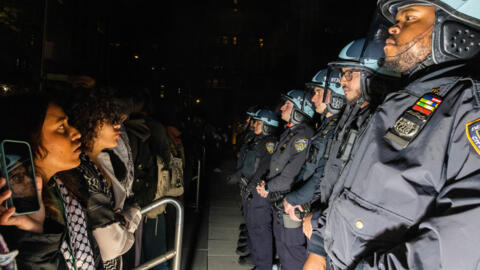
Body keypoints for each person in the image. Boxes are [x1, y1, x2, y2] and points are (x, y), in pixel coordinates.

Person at [320, 1, 480, 269]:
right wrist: (319, 244)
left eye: (409, 18)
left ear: (454, 32)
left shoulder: (467, 106)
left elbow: (468, 232)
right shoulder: (403, 101)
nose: (393, 28)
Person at [301, 38, 401, 270]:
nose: (341, 80)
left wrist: (319, 225)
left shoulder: (383, 120)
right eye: (342, 73)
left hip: (349, 236)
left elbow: (367, 191)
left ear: (374, 74)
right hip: (328, 226)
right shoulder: (352, 114)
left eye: (350, 73)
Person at [0, 92, 102, 269]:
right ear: (29, 137)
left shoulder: (64, 190)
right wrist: (35, 234)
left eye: (68, 124)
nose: (76, 132)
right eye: (61, 127)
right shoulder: (10, 214)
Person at [275, 69, 345, 270]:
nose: (313, 98)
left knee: (298, 256)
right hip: (308, 203)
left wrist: (294, 198)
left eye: (317, 92)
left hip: (315, 206)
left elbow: (323, 173)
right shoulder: (326, 125)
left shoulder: (335, 127)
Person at [63, 91, 142, 270]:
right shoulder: (82, 169)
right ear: (88, 124)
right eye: (109, 120)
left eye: (118, 120)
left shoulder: (103, 159)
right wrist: (129, 220)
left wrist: (121, 222)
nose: (118, 126)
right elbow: (112, 245)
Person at [256, 90, 315, 270]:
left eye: (288, 105)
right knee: (283, 251)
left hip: (290, 204)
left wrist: (268, 187)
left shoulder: (303, 134)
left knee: (292, 254)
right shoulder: (290, 132)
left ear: (300, 110)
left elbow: (291, 175)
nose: (282, 108)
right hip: (279, 202)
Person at [235, 108, 279, 270]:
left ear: (268, 126)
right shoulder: (257, 140)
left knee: (260, 232)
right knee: (253, 229)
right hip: (250, 191)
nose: (254, 125)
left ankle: (264, 266)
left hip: (258, 193)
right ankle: (258, 262)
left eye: (259, 123)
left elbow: (265, 166)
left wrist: (251, 186)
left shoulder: (269, 143)